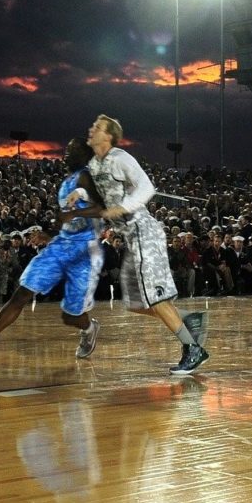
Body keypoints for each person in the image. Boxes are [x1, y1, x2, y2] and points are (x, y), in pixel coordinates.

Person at [0, 138, 105, 364]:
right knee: (21, 294)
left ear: (83, 156)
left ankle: (89, 328)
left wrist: (74, 215)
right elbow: (65, 221)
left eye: (71, 151)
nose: (65, 154)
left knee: (72, 315)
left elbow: (101, 208)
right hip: (60, 247)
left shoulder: (85, 176)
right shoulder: (66, 182)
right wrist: (49, 235)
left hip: (83, 253)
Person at [86, 114, 208, 375]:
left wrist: (121, 207)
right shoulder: (94, 164)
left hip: (144, 232)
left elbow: (146, 188)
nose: (91, 129)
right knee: (133, 302)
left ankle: (193, 349)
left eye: (96, 127)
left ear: (108, 136)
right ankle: (187, 317)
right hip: (130, 239)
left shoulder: (121, 158)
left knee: (154, 297)